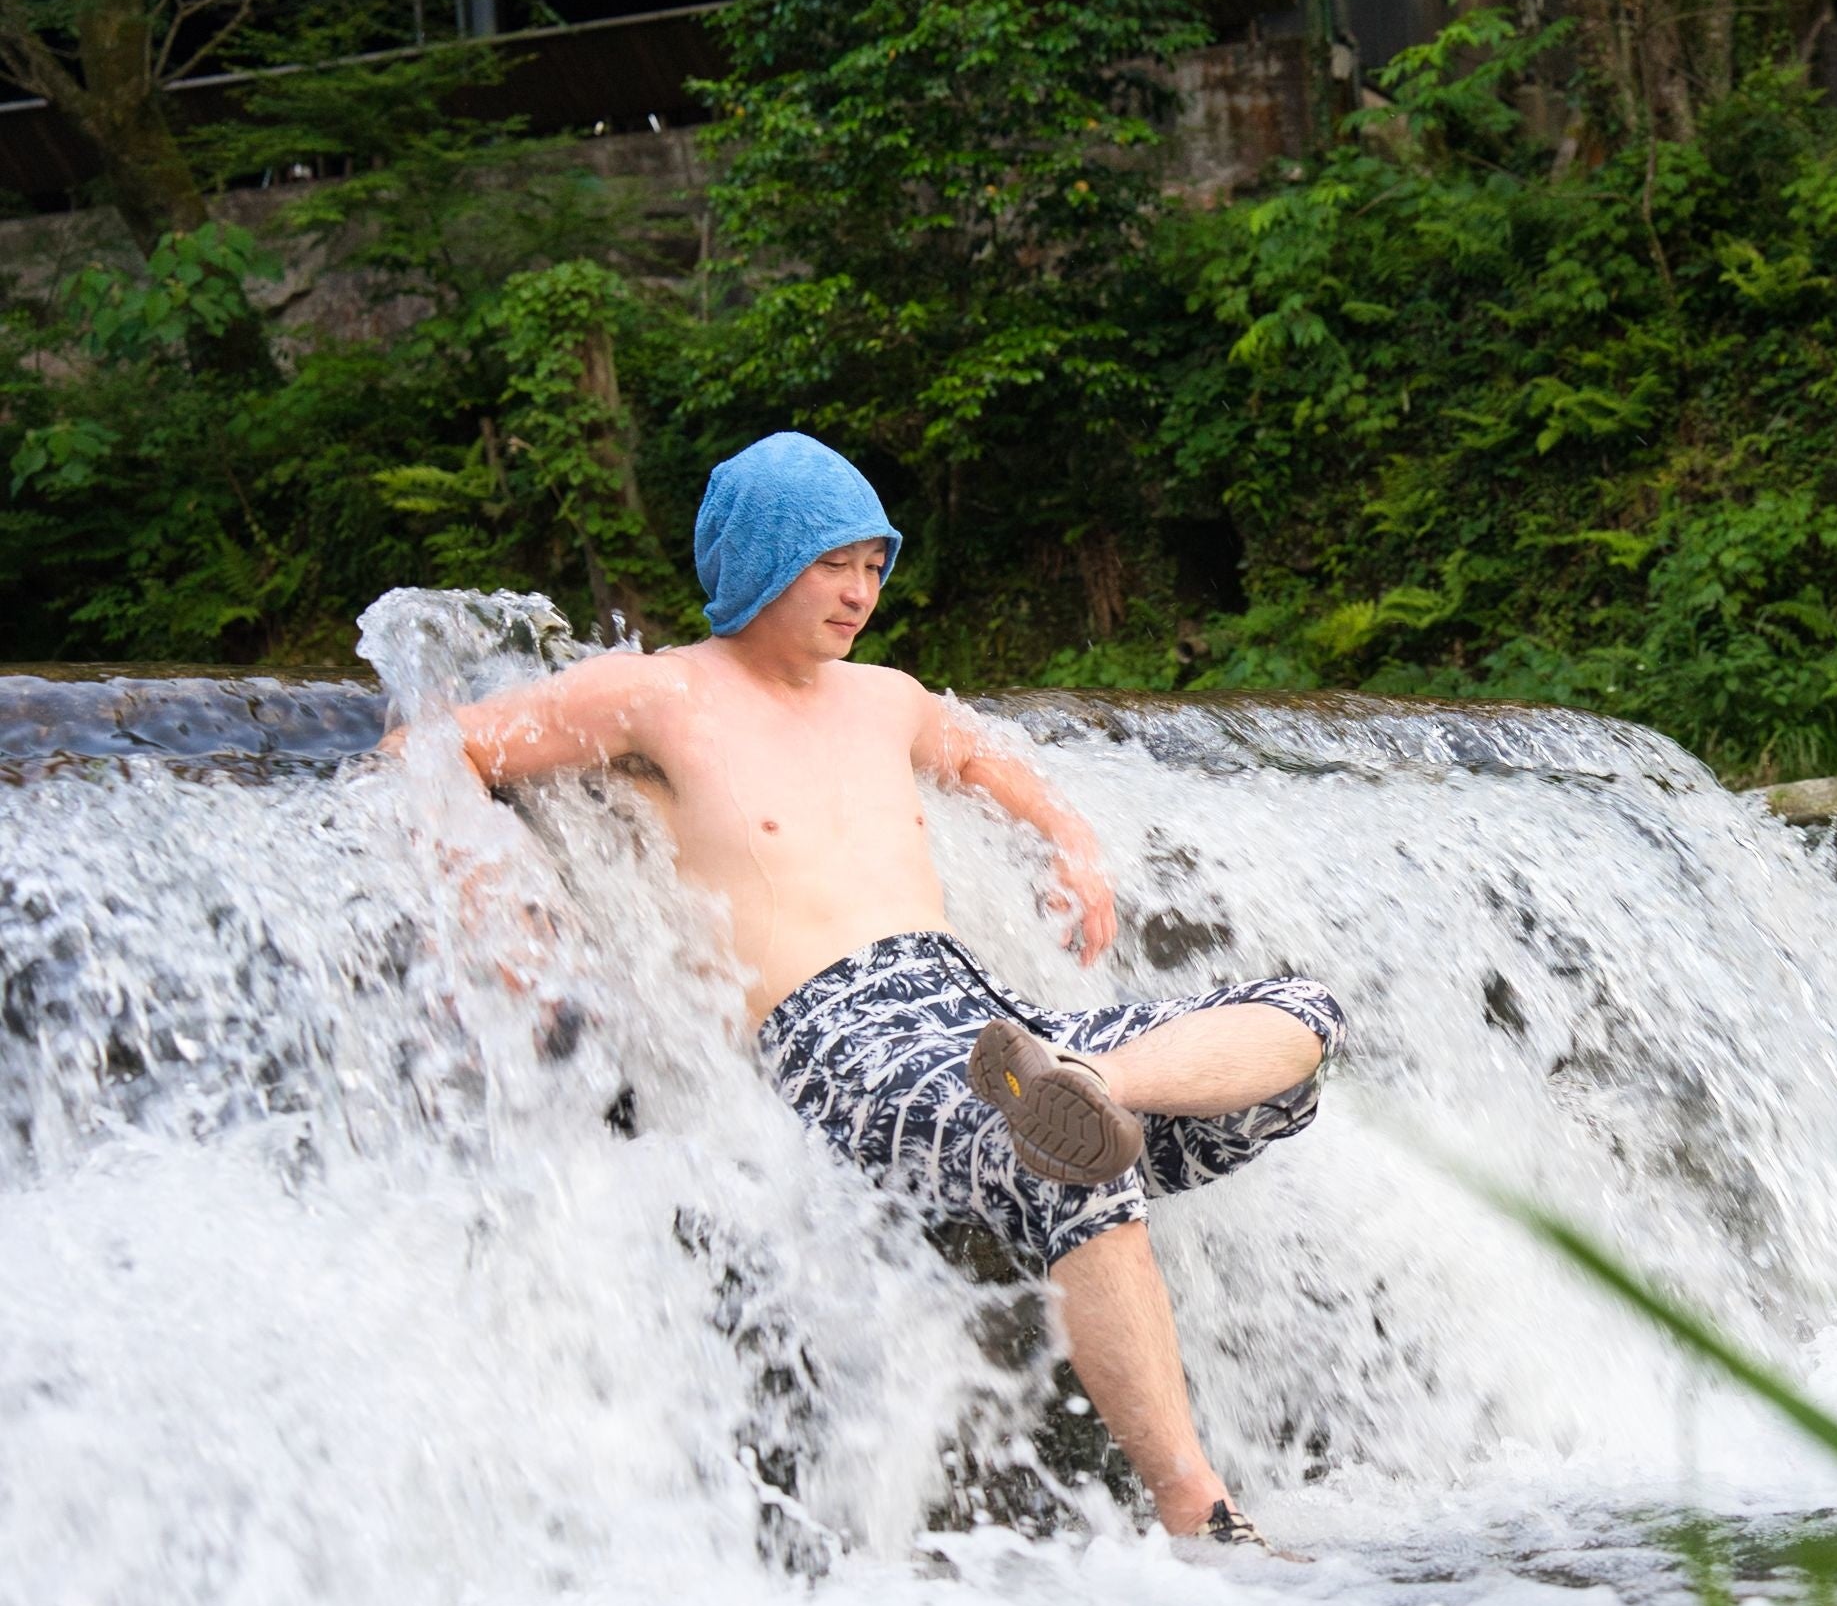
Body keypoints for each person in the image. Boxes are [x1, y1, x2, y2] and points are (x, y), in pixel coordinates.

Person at [399, 430, 1343, 1549]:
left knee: (1303, 1019)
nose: (860, 591)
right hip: (829, 1036)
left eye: (873, 564)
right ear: (757, 563)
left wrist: (1070, 839)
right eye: (831, 563)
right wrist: (494, 903)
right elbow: (433, 751)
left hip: (981, 1013)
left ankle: (1091, 1079)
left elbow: (990, 761)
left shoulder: (885, 696)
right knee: (1060, 1159)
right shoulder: (654, 695)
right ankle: (1200, 1509)